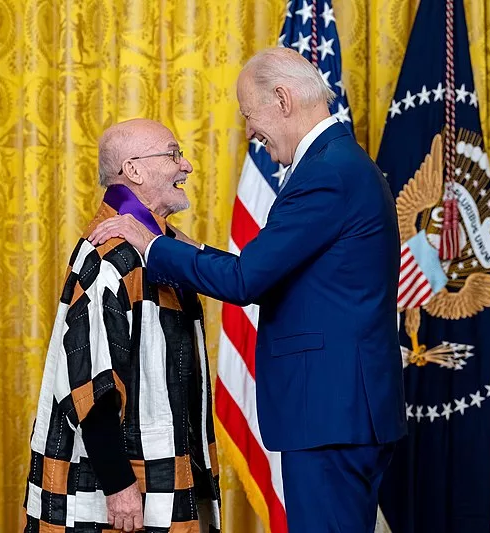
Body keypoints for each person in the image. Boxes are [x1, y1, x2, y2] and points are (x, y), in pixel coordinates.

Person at [89, 47, 407, 533]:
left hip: (331, 414)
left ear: (282, 99)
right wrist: (185, 246)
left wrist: (151, 245)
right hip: (341, 411)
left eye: (249, 115)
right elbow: (269, 268)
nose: (250, 131)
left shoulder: (326, 173)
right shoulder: (339, 164)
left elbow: (247, 279)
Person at [23, 119, 221, 533]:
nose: (185, 165)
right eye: (173, 153)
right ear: (133, 170)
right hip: (119, 487)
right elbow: (89, 381)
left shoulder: (156, 247)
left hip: (161, 470)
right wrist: (118, 486)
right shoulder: (112, 255)